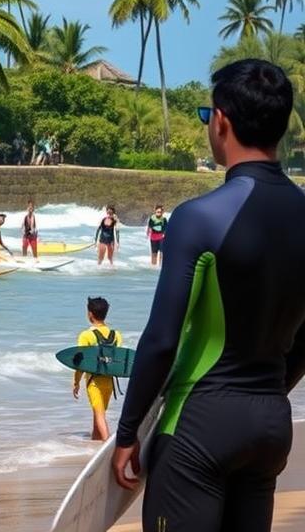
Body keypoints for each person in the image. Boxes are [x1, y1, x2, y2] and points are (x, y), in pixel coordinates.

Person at [112, 59, 305, 532]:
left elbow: (161, 339)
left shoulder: (200, 217)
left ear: (221, 121)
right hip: (270, 426)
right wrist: (267, 395)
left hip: (200, 425)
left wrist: (127, 431)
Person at [72, 297, 123, 441]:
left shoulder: (86, 335)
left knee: (100, 416)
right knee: (97, 415)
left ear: (90, 314)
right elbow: (117, 360)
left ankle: (108, 448)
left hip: (94, 383)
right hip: (109, 383)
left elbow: (80, 362)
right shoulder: (116, 335)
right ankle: (94, 445)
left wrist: (76, 382)